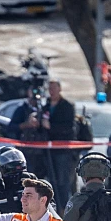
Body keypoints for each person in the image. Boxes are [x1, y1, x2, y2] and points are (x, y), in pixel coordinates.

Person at [42, 79, 78, 212]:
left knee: (63, 182)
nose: (51, 92)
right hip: (48, 151)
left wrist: (51, 127)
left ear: (59, 89)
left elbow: (69, 128)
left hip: (62, 151)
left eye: (54, 88)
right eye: (49, 89)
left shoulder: (67, 106)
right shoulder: (46, 106)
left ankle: (64, 210)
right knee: (51, 181)